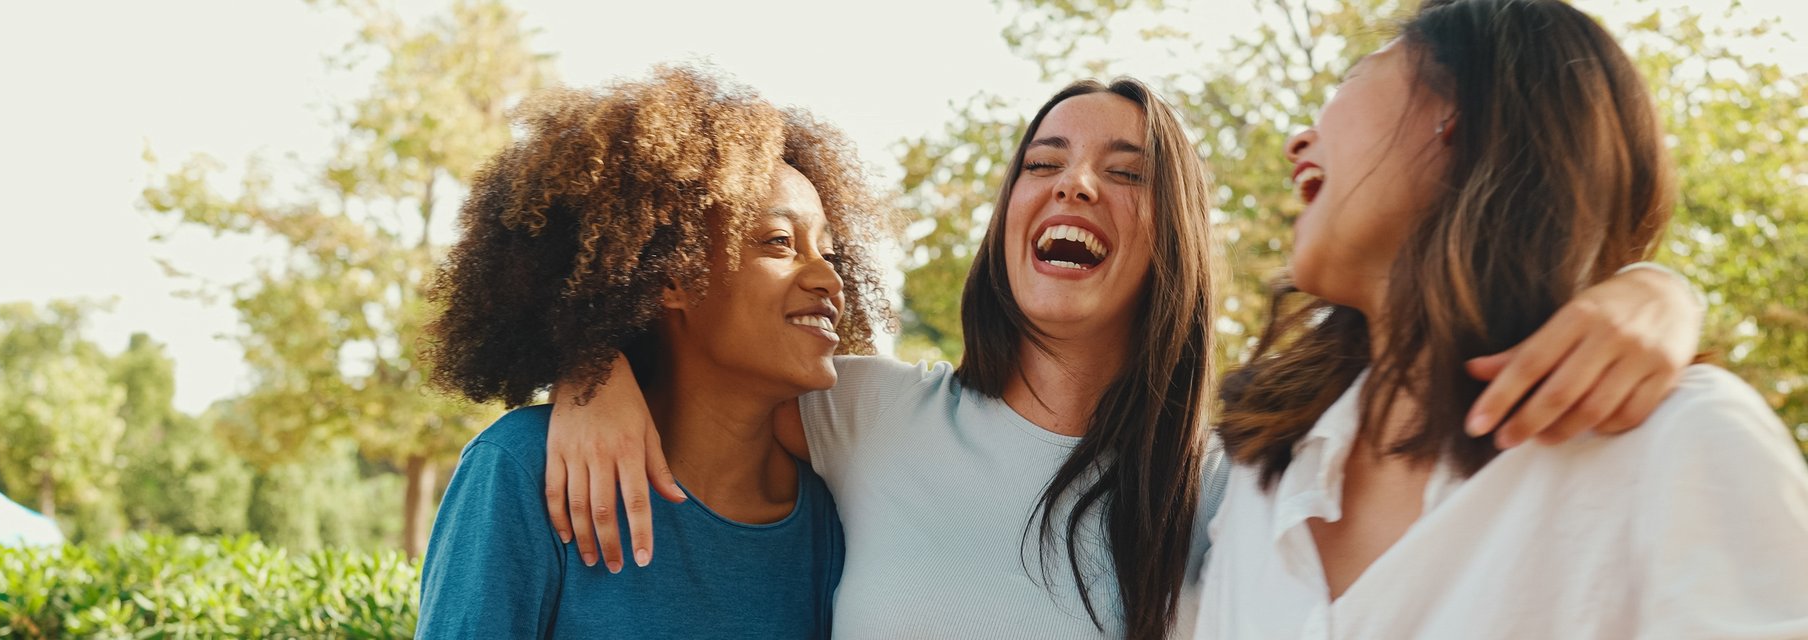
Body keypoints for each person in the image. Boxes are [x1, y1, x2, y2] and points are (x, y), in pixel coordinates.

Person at [546, 76, 1705, 637]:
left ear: (1172, 241)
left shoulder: (1234, 489)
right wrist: (588, 367)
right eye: (1044, 160)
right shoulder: (866, 413)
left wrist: (1656, 290)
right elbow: (694, 331)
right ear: (1009, 218)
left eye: (1128, 170)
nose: (1077, 184)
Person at [1198, 1, 1808, 637]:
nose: (1297, 141)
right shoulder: (1256, 480)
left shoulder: (1680, 442)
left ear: (1459, 118)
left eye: (1351, 79)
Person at [413, 65, 890, 638]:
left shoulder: (829, 514)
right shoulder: (525, 470)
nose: (828, 280)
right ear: (670, 277)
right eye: (780, 243)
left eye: (831, 256)